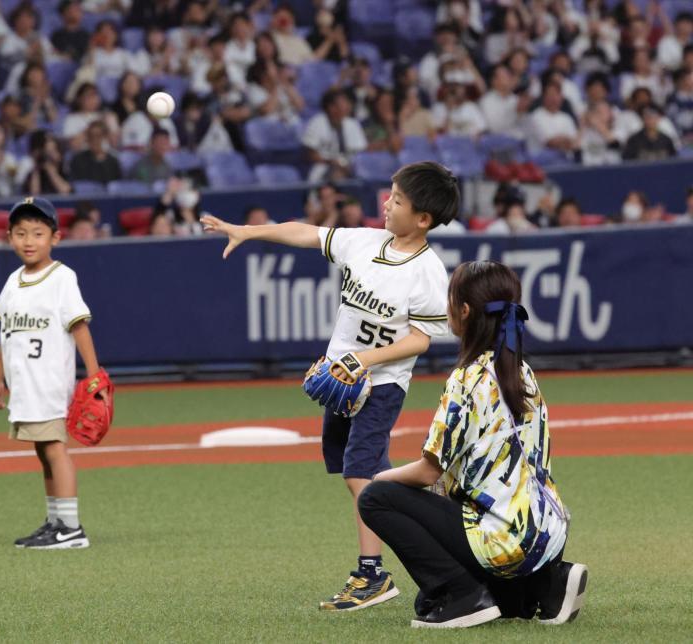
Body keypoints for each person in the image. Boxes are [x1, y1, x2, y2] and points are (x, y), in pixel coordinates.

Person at [201, 162, 459, 612]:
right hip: (342, 381)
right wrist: (247, 231)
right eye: (390, 194)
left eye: (398, 200)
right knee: (354, 469)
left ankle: (373, 572)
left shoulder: (429, 273)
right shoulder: (364, 242)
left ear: (424, 219)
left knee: (360, 474)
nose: (387, 203)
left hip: (381, 386)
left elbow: (419, 339)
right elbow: (307, 233)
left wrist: (365, 360)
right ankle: (422, 501)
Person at [357, 261, 587, 628]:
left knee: (375, 498)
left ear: (463, 311)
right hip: (547, 533)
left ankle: (461, 596)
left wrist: (381, 478)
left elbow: (428, 470)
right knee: (486, 599)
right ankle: (547, 584)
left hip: (502, 537)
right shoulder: (520, 370)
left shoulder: (467, 379)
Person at [0, 196, 101, 550]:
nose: (29, 240)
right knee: (42, 450)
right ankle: (55, 521)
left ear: (56, 237)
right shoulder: (13, 281)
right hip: (24, 386)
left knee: (54, 449)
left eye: (38, 232)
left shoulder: (62, 278)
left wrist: (94, 375)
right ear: (10, 238)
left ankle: (70, 527)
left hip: (49, 382)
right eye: (21, 233)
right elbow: (7, 333)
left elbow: (79, 326)